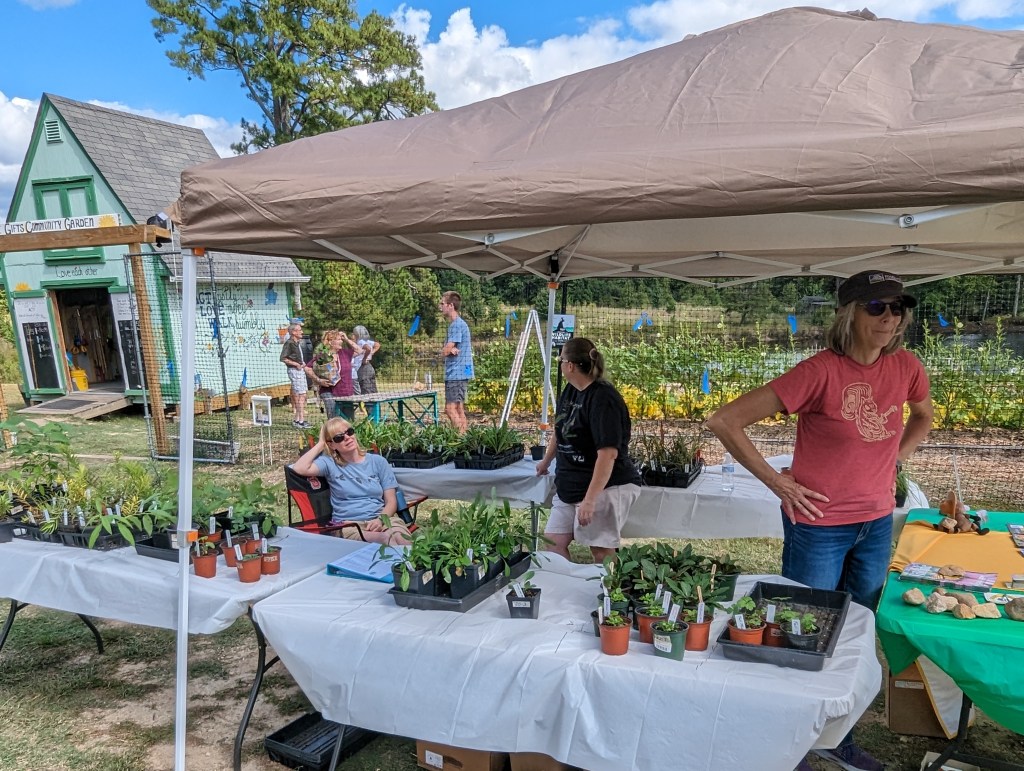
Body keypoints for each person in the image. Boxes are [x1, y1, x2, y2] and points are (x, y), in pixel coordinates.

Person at [706, 270, 933, 771]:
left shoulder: (907, 368)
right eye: (877, 307)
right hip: (818, 527)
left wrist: (894, 458)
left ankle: (836, 736)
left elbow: (922, 416)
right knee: (800, 636)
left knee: (855, 633)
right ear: (849, 313)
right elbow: (724, 420)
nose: (890, 318)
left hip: (876, 524)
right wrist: (778, 482)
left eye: (897, 308)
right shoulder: (818, 372)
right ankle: (790, 742)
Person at [536, 338, 641, 563]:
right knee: (553, 542)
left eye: (560, 359)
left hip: (606, 486)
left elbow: (608, 454)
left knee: (600, 550)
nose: (560, 364)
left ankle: (610, 594)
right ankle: (565, 588)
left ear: (570, 365)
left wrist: (591, 500)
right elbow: (561, 427)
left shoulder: (604, 399)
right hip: (570, 485)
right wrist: (546, 461)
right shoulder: (571, 390)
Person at [291, 417, 411, 545]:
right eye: (339, 438)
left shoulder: (378, 462)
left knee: (401, 539)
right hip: (349, 524)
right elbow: (300, 468)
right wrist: (321, 444)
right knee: (385, 540)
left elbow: (391, 501)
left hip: (382, 518)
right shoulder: (330, 463)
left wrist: (380, 520)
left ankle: (412, 565)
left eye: (349, 432)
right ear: (331, 444)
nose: (347, 437)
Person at [440, 291, 473, 432]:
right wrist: (449, 349)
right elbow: (451, 348)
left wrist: (444, 351)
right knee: (459, 409)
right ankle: (464, 440)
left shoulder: (456, 325)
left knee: (450, 409)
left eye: (442, 303)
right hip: (460, 373)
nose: (439, 306)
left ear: (451, 305)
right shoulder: (458, 324)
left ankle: (459, 441)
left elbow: (447, 350)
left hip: (456, 374)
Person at [312, 330, 362, 422]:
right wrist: (318, 380)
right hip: (329, 392)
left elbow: (359, 350)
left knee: (349, 421)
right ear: (331, 342)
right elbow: (308, 368)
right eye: (338, 339)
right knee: (334, 420)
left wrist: (346, 339)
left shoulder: (344, 353)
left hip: (346, 391)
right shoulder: (324, 355)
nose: (341, 341)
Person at [279, 321, 310, 428]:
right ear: (293, 332)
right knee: (301, 395)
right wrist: (296, 364)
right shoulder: (289, 343)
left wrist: (301, 362)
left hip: (300, 370)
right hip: (295, 371)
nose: (302, 332)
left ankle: (297, 419)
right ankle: (301, 421)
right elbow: (283, 358)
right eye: (299, 330)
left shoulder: (297, 342)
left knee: (303, 394)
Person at [352, 325, 380, 396]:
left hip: (363, 368)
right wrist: (372, 353)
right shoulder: (368, 341)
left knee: (366, 391)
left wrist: (364, 358)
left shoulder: (360, 341)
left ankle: (369, 407)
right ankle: (376, 407)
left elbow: (368, 348)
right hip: (370, 367)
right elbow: (377, 345)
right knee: (373, 390)